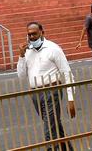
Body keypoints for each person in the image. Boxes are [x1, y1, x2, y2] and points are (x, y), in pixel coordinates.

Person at [17, 21, 75, 151]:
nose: (32, 37)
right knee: (53, 123)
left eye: (34, 34)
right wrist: (21, 56)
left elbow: (66, 72)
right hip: (35, 93)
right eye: (29, 35)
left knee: (49, 126)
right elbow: (21, 76)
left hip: (51, 90)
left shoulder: (53, 48)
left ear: (42, 32)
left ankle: (50, 149)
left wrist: (70, 99)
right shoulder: (27, 52)